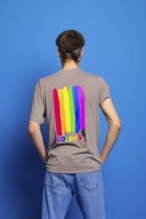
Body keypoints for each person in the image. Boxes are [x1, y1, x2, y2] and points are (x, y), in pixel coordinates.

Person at [28, 29, 121, 219]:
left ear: (58, 53)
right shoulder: (97, 82)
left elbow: (32, 127)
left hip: (56, 168)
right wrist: (102, 156)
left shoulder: (43, 84)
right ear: (82, 53)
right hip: (88, 168)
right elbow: (116, 123)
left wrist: (47, 158)